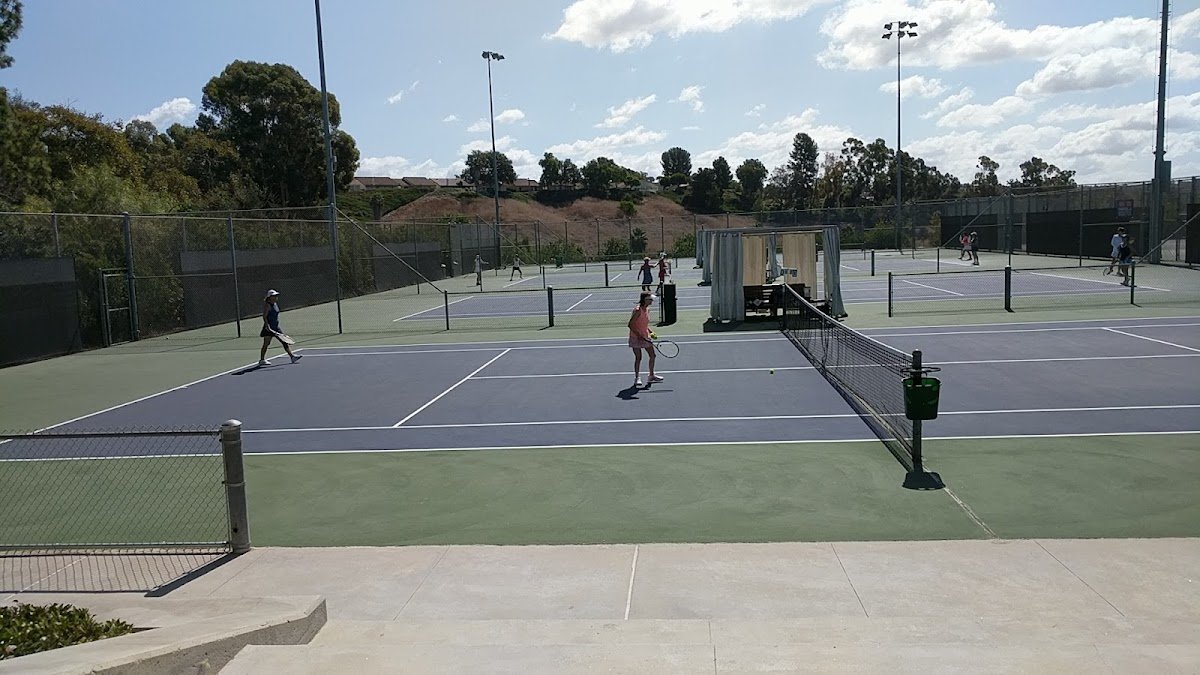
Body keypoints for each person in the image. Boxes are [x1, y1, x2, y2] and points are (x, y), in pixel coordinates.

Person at [627, 292, 663, 388]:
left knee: (652, 355)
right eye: (650, 299)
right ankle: (637, 378)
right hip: (635, 337)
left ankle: (651, 375)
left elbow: (645, 325)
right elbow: (630, 324)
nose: (652, 301)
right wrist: (638, 335)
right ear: (645, 300)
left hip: (645, 336)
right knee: (638, 358)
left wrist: (651, 332)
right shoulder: (637, 310)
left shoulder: (647, 310)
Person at [259, 289, 301, 366]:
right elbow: (264, 316)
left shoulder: (275, 304)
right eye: (274, 296)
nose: (276, 297)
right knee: (266, 344)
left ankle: (292, 357)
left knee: (284, 341)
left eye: (276, 295)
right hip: (269, 327)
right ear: (270, 297)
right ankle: (262, 360)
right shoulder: (267, 305)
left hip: (276, 327)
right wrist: (267, 326)